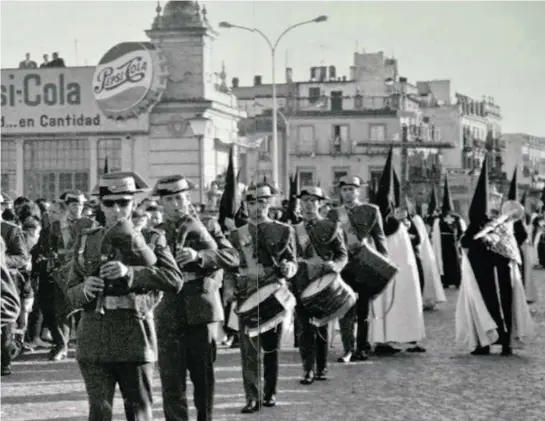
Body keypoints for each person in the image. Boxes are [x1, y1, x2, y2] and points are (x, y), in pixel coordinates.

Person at [65, 171, 184, 421]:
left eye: (124, 203)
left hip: (135, 336)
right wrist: (85, 288)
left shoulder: (151, 238)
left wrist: (130, 273)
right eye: (110, 203)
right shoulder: (87, 240)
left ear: (134, 204)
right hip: (94, 338)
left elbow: (174, 280)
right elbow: (70, 291)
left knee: (139, 412)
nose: (117, 209)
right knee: (99, 412)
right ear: (100, 205)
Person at [152, 175, 239, 421]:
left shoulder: (208, 225)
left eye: (179, 198)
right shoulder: (154, 232)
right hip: (168, 310)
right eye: (169, 199)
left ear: (188, 198)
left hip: (200, 312)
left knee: (203, 379)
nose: (176, 204)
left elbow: (233, 256)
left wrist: (200, 256)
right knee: (172, 381)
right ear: (161, 203)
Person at [226, 182, 298, 413]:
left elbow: (292, 261)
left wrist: (289, 268)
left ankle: (269, 393)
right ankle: (252, 397)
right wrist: (228, 287)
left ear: (270, 202)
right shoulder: (236, 235)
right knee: (248, 349)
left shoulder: (284, 230)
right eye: (252, 202)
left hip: (273, 290)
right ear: (245, 205)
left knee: (270, 347)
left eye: (262, 201)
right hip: (247, 292)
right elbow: (230, 268)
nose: (257, 207)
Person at [459, 158, 533, 356]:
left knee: (504, 305)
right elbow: (466, 243)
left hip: (501, 272)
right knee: (482, 305)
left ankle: (506, 342)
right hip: (481, 274)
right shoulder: (475, 225)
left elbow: (511, 245)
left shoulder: (504, 223)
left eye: (496, 198)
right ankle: (484, 342)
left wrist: (495, 240)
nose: (494, 201)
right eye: (492, 198)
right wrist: (480, 238)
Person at [368, 151, 426, 355]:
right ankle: (391, 338)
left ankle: (387, 338)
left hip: (393, 272)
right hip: (396, 273)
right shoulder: (393, 226)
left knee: (394, 301)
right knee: (394, 301)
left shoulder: (383, 225)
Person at [290, 185, 348, 385]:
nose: (308, 205)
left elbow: (342, 254)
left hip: (323, 283)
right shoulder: (292, 229)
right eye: (305, 201)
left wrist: (336, 266)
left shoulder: (330, 227)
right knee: (304, 328)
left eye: (313, 201)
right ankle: (308, 369)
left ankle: (321, 367)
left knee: (322, 325)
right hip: (300, 282)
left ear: (320, 204)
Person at [327, 175, 388, 362]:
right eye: (344, 190)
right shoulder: (333, 214)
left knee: (363, 310)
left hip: (363, 265)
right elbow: (329, 241)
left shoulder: (371, 210)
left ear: (358, 191)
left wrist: (384, 262)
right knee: (344, 308)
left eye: (351, 189)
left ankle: (361, 347)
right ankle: (348, 348)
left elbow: (380, 237)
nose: (348, 193)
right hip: (343, 267)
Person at [1, 202, 31, 376]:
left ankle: (4, 362)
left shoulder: (10, 230)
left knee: (5, 326)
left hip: (5, 284)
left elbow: (22, 258)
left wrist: (2, 260)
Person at [430, 176, 466, 289]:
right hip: (448, 242)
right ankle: (449, 281)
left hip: (449, 242)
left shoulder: (453, 218)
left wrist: (459, 240)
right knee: (448, 262)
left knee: (452, 262)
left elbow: (461, 230)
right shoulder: (443, 218)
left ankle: (453, 281)